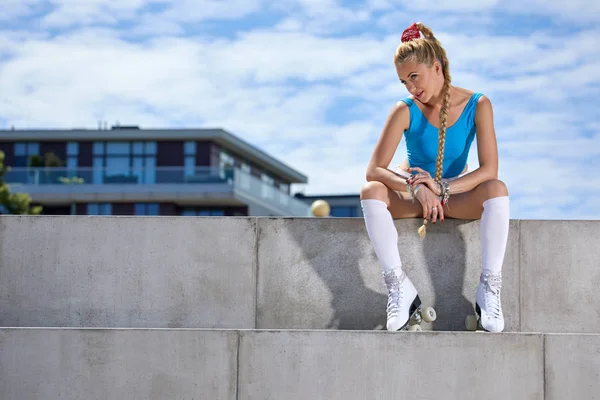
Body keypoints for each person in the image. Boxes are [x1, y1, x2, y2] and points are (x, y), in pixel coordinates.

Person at [360, 22, 509, 333]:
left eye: (414, 77)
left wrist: (440, 187)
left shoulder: (477, 105)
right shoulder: (405, 109)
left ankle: (489, 289)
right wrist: (418, 189)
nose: (411, 88)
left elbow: (488, 170)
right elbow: (375, 169)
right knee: (371, 190)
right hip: (415, 197)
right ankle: (399, 287)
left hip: (454, 194)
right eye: (404, 82)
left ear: (437, 67)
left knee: (496, 188)